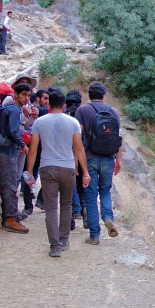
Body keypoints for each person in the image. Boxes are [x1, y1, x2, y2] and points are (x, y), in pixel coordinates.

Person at [24, 88, 90, 258]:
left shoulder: (39, 122)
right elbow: (79, 148)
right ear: (64, 104)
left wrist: (30, 171)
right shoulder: (73, 122)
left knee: (51, 208)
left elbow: (33, 150)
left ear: (48, 103)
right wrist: (85, 172)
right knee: (67, 205)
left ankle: (54, 246)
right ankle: (64, 239)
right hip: (68, 168)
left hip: (47, 168)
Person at [75, 82, 122, 244]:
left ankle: (95, 235)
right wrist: (118, 160)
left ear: (89, 95)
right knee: (105, 191)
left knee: (90, 195)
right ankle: (108, 217)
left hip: (89, 159)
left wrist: (76, 161)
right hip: (109, 158)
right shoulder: (113, 111)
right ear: (104, 95)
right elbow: (118, 137)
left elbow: (78, 138)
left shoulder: (82, 110)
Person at [0, 82, 33, 233]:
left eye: (29, 96)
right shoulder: (14, 110)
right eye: (24, 95)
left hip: (5, 151)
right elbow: (13, 131)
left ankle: (10, 214)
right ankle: (10, 218)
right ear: (15, 95)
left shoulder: (11, 109)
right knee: (10, 184)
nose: (26, 98)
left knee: (9, 183)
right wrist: (22, 144)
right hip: (8, 152)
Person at [64, 89, 85, 232]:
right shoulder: (84, 115)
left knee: (68, 190)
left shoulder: (63, 116)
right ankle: (85, 211)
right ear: (80, 102)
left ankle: (70, 220)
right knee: (82, 188)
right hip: (83, 156)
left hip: (66, 158)